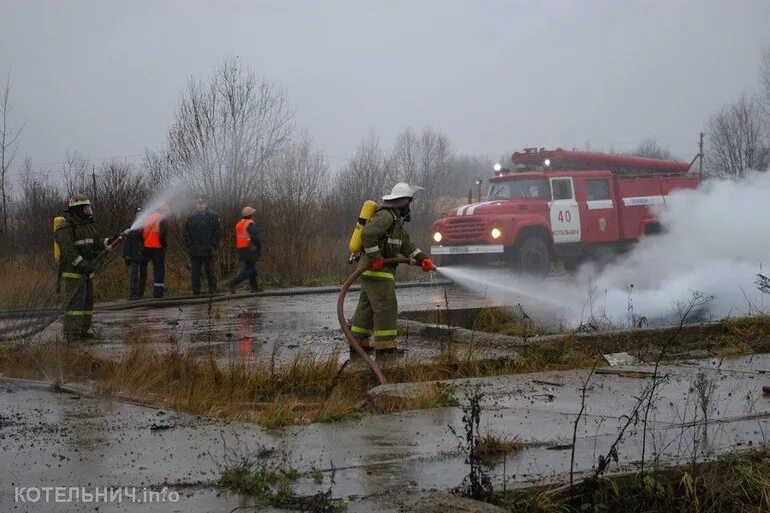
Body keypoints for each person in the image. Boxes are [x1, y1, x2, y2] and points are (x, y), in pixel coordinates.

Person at [350, 182, 434, 355]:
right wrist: (376, 257)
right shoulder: (386, 216)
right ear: (403, 202)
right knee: (386, 306)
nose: (410, 207)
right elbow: (368, 235)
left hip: (373, 270)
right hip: (377, 270)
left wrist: (424, 259)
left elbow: (408, 247)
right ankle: (385, 346)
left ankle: (358, 341)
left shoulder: (396, 222)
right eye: (409, 203)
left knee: (367, 307)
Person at [54, 194, 109, 343]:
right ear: (77, 210)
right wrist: (82, 264)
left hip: (86, 274)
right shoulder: (66, 227)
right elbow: (68, 250)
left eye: (89, 208)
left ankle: (83, 331)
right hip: (74, 274)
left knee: (87, 304)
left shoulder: (87, 226)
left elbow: (97, 242)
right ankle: (73, 334)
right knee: (75, 305)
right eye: (86, 208)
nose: (88, 211)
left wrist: (109, 241)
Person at [183, 195, 221, 295]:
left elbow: (217, 232)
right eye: (198, 203)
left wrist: (213, 245)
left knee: (210, 271)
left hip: (208, 249)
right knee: (195, 272)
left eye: (202, 203)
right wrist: (190, 246)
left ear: (206, 204)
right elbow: (186, 234)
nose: (200, 205)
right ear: (196, 204)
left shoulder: (214, 216)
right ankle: (196, 291)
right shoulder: (190, 216)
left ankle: (213, 290)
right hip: (195, 250)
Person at [227, 206, 262, 293]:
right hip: (250, 248)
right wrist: (259, 247)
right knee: (249, 270)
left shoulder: (239, 224)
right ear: (250, 215)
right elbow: (255, 237)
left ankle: (254, 288)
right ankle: (233, 282)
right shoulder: (250, 223)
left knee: (252, 269)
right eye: (253, 213)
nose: (254, 215)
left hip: (241, 249)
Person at [142, 202, 170, 298]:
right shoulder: (163, 219)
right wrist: (164, 245)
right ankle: (158, 293)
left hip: (148, 247)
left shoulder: (150, 217)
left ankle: (151, 291)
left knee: (153, 269)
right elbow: (162, 235)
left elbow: (144, 233)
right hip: (158, 248)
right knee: (159, 270)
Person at [121, 208, 146, 300]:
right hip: (133, 255)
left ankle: (140, 294)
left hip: (144, 254)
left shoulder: (146, 227)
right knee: (134, 275)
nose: (139, 215)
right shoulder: (131, 227)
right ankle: (134, 294)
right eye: (138, 214)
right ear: (135, 215)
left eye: (141, 214)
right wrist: (126, 255)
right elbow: (126, 242)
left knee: (143, 274)